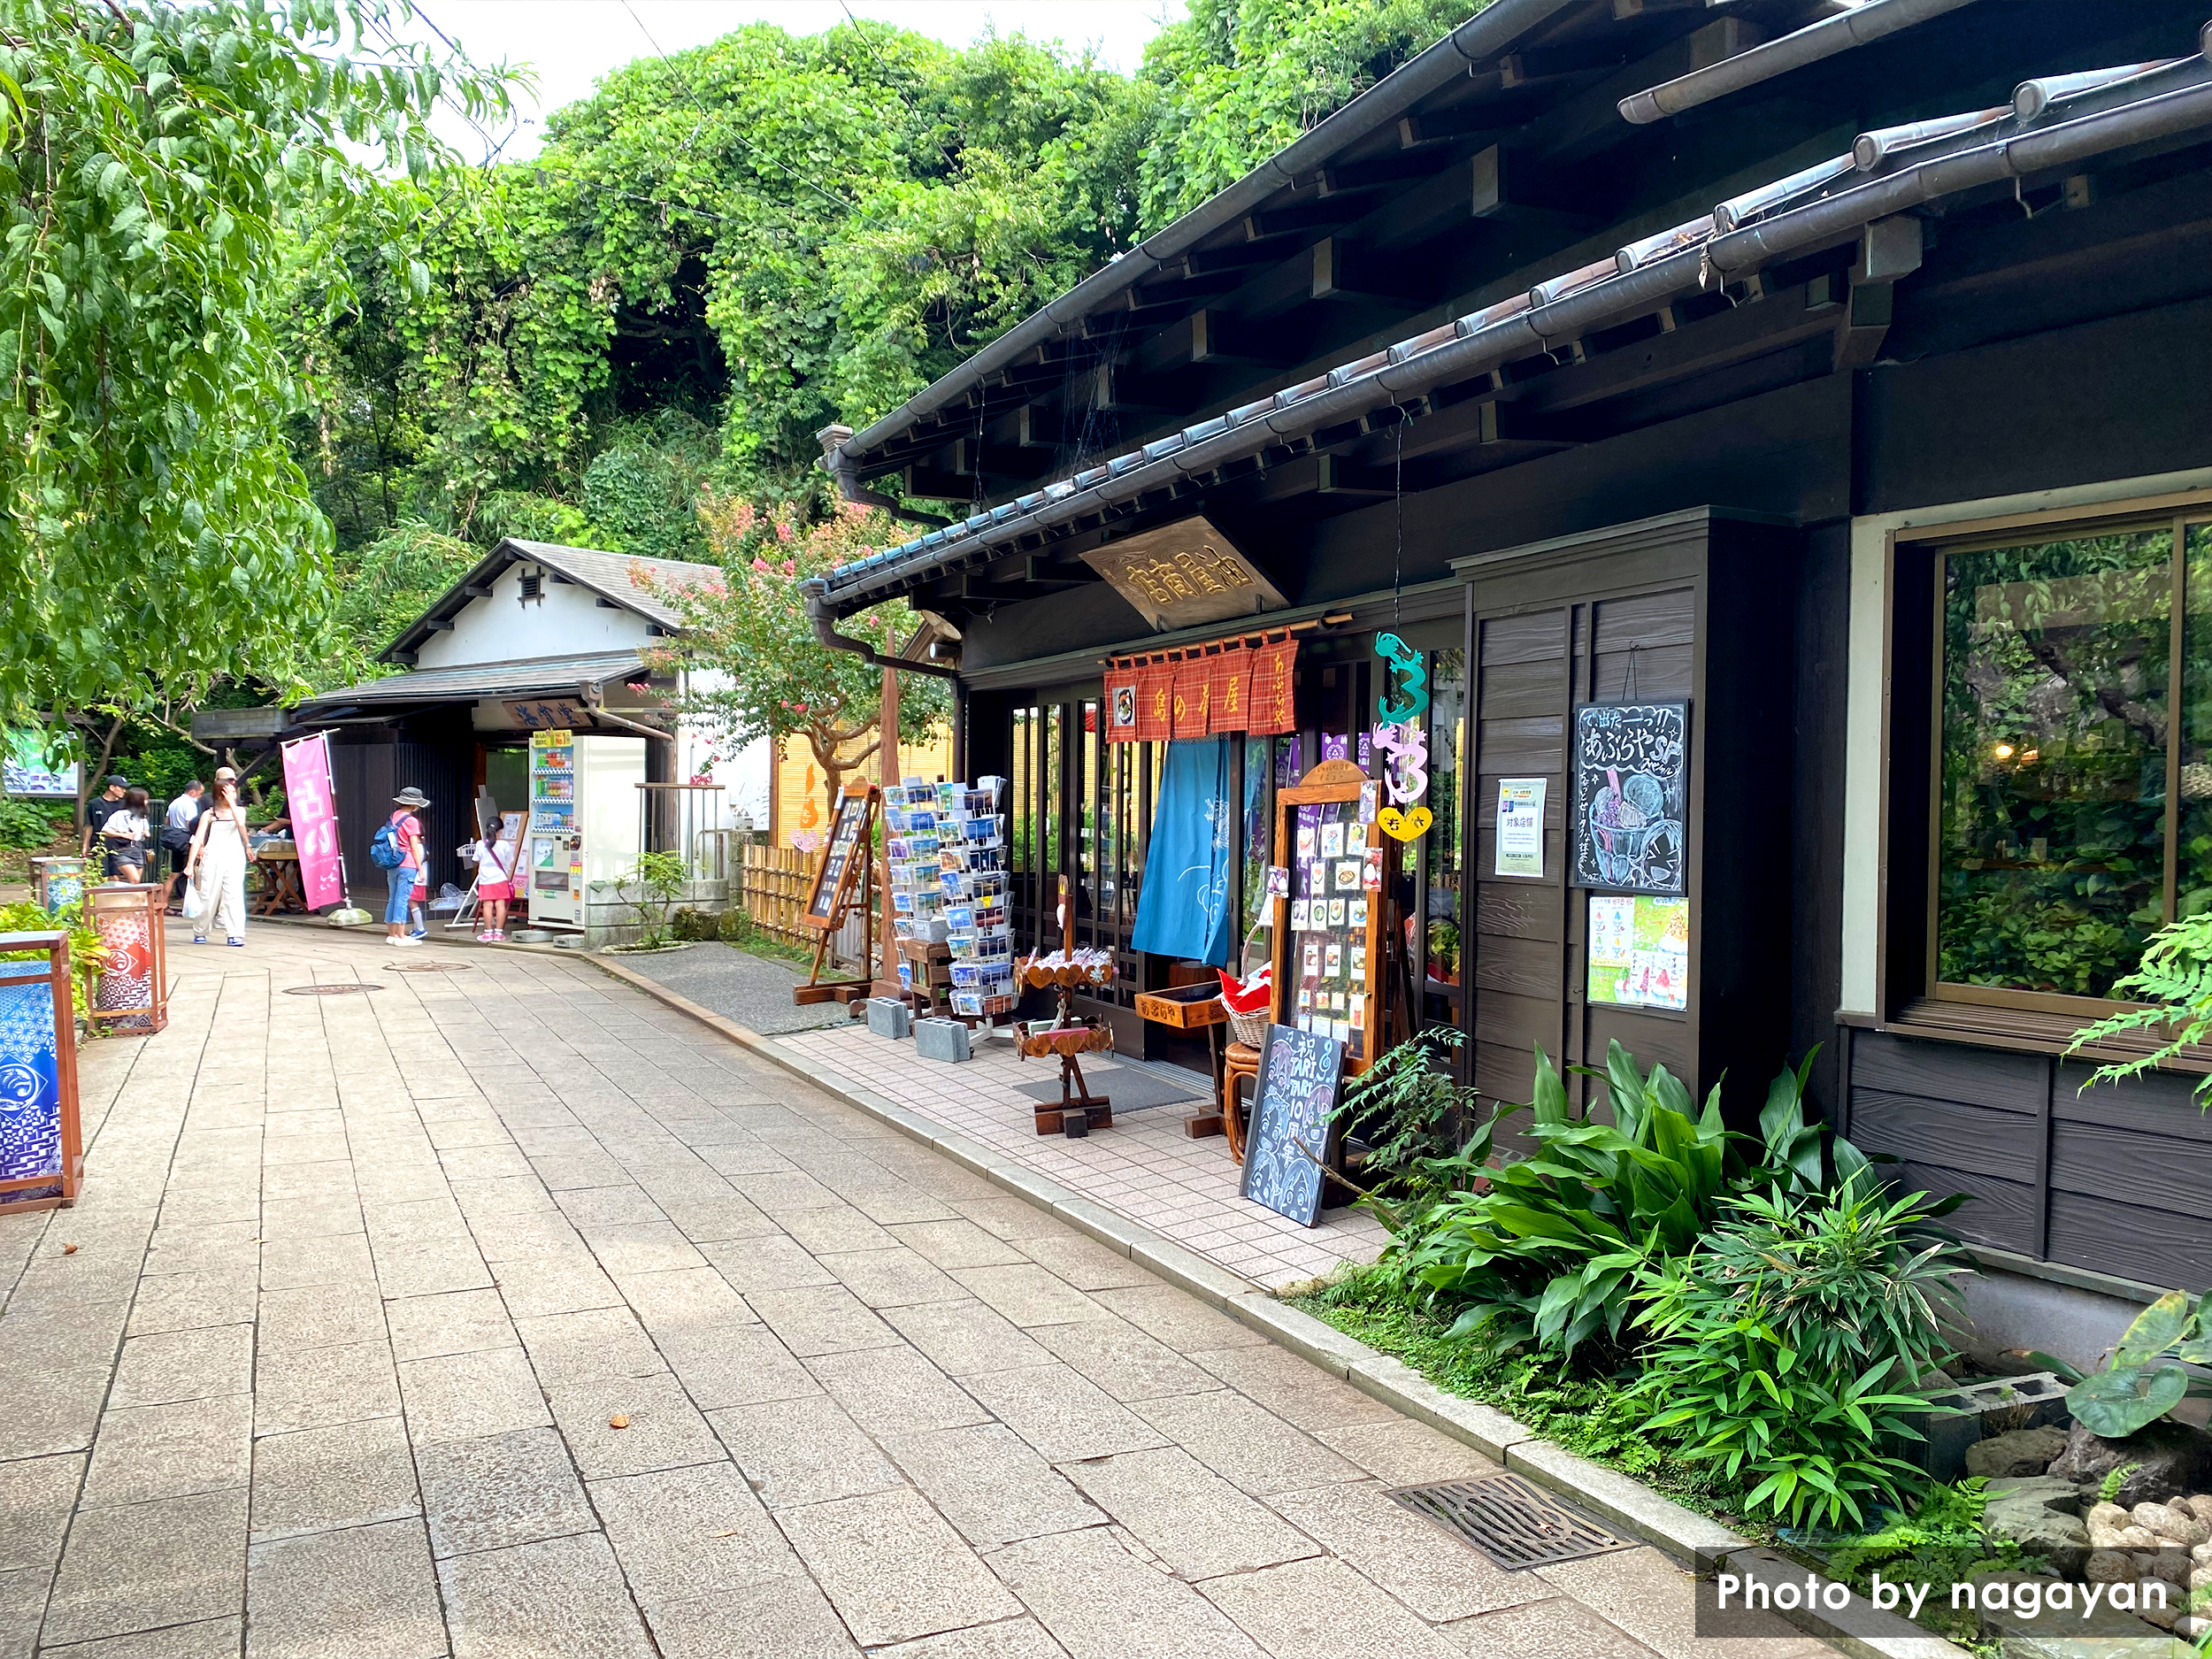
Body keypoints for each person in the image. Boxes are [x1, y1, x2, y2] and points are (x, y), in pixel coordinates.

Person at [184, 770, 255, 946]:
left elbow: (240, 823)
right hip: (212, 856)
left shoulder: (239, 811)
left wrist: (232, 804)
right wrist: (190, 864)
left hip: (234, 855)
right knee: (208, 895)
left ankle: (235, 933)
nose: (234, 794)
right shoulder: (209, 814)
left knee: (234, 895)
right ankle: (200, 930)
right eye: (231, 792)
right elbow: (199, 838)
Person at [384, 787, 431, 947]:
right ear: (414, 805)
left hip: (393, 862)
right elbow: (414, 847)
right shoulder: (411, 821)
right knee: (402, 899)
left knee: (392, 898)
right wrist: (420, 869)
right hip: (407, 863)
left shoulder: (394, 817)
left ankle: (391, 935)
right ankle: (401, 936)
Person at [470, 828, 518, 941]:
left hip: (485, 879)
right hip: (501, 878)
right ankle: (499, 934)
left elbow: (476, 859)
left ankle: (488, 933)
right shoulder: (505, 844)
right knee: (500, 905)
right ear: (500, 831)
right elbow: (510, 860)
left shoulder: (480, 844)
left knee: (487, 906)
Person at [163, 781, 204, 910]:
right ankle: (186, 906)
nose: (199, 797)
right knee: (187, 873)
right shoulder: (190, 804)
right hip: (186, 841)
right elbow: (190, 825)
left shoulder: (174, 803)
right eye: (200, 793)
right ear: (193, 792)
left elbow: (166, 821)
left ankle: (163, 903)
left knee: (174, 873)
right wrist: (199, 844)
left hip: (175, 840)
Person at [97, 787, 153, 883]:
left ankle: (132, 898)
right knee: (135, 880)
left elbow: (146, 830)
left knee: (136, 882)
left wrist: (146, 833)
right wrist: (122, 834)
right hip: (123, 849)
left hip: (138, 849)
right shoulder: (119, 815)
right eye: (145, 799)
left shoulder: (142, 816)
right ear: (137, 801)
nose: (147, 802)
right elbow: (105, 830)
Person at [80, 775, 127, 856]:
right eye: (121, 788)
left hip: (120, 846)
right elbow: (89, 825)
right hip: (99, 845)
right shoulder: (94, 804)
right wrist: (85, 846)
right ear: (111, 787)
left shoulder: (124, 805)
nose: (124, 791)